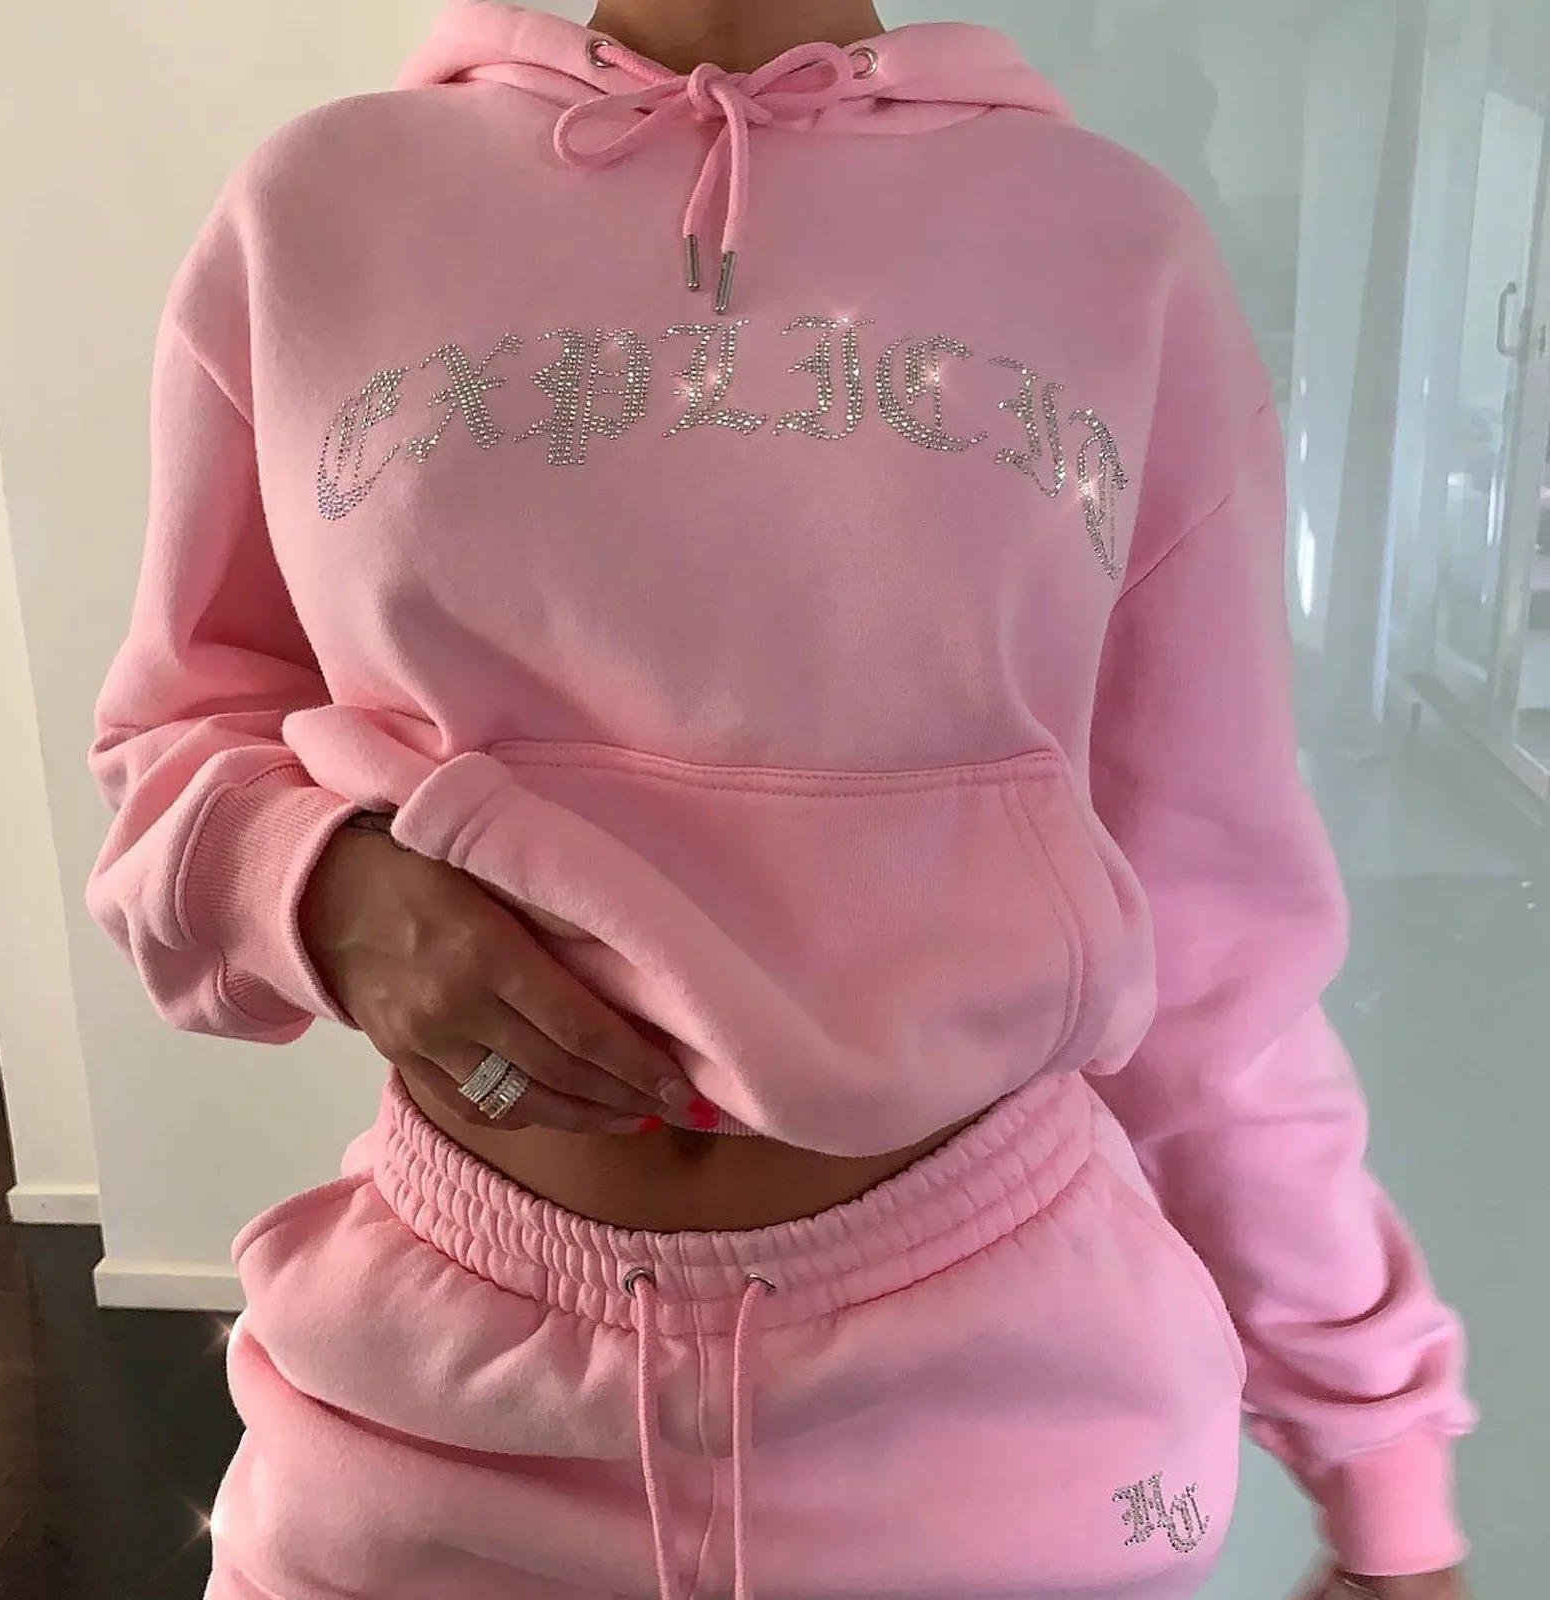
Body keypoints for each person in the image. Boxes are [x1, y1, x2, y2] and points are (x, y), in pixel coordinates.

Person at [86, 2, 1476, 1596]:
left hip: (1006, 1426)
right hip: (430, 1423)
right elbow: (173, 742)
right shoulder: (318, 210)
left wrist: (1383, 1467)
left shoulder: (1115, 247)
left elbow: (1221, 956)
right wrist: (314, 885)